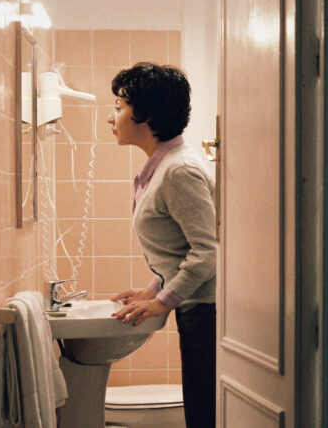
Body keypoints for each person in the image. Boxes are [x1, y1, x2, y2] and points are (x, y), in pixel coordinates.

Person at [108, 62, 216, 428]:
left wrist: (162, 301)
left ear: (146, 114)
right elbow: (180, 251)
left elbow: (207, 252)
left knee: (204, 413)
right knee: (200, 409)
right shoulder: (163, 167)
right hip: (198, 307)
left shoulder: (179, 170)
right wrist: (152, 288)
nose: (112, 117)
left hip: (208, 310)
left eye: (119, 106)